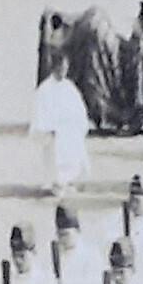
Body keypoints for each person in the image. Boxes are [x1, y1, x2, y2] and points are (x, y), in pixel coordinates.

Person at [31, 57, 91, 195]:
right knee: (56, 157)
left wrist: (79, 124)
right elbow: (40, 110)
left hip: (70, 130)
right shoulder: (45, 89)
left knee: (73, 156)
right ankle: (56, 184)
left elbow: (79, 108)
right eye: (60, 68)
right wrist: (47, 128)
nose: (63, 71)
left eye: (65, 68)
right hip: (55, 132)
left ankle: (68, 181)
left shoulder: (69, 87)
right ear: (54, 68)